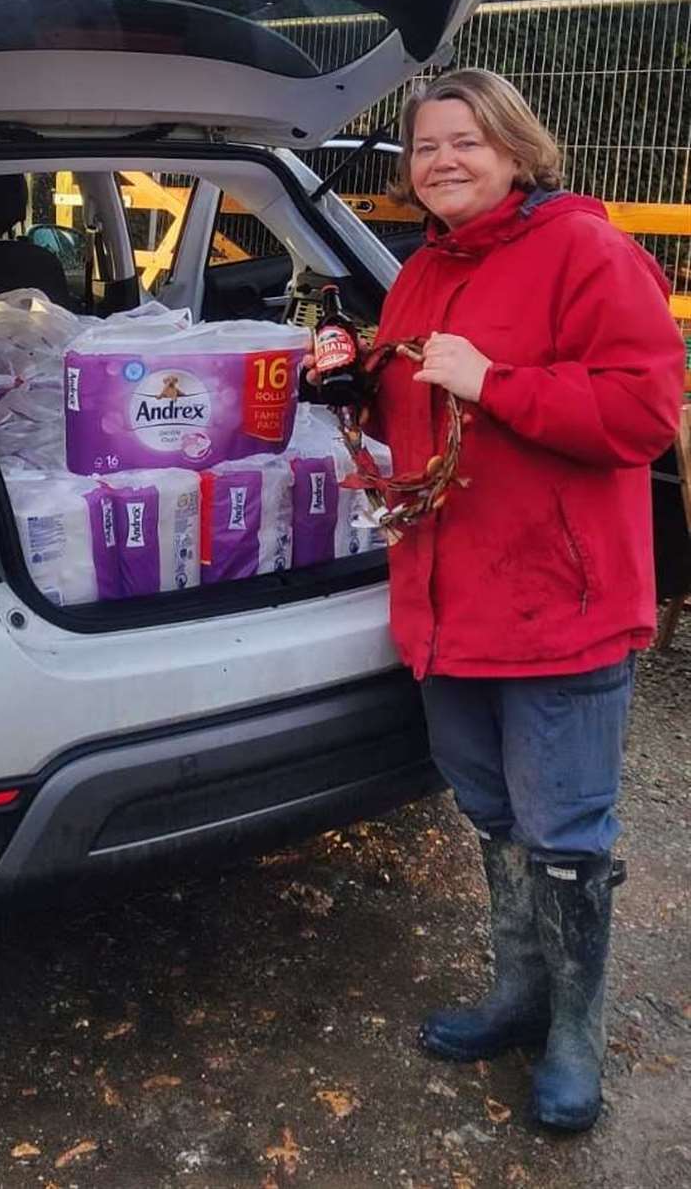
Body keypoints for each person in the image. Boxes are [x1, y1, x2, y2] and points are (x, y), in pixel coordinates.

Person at [308, 68, 685, 1132]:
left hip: (557, 602)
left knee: (567, 828)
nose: (443, 161)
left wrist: (497, 381)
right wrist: (355, 384)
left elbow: (645, 413)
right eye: (426, 147)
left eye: (465, 141)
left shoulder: (586, 251)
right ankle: (519, 994)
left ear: (517, 149)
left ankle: (574, 1032)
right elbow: (416, 403)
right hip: (446, 600)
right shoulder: (422, 271)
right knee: (496, 816)